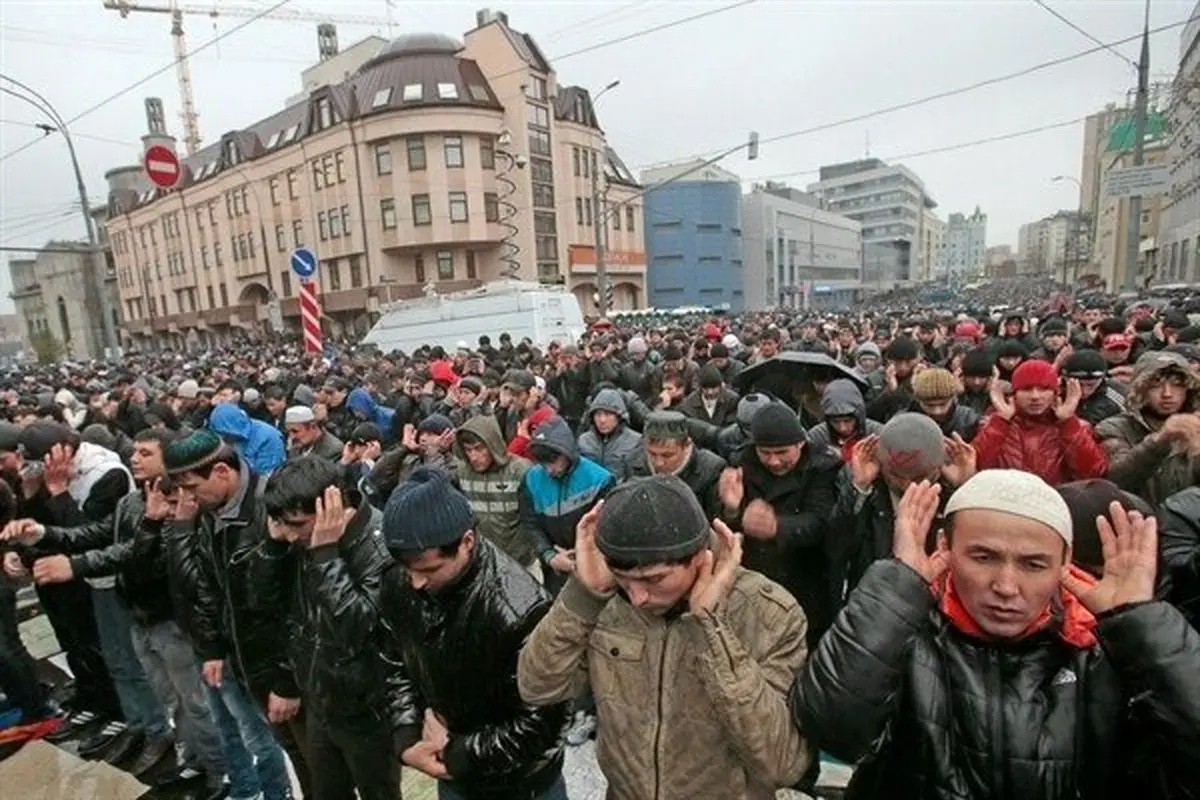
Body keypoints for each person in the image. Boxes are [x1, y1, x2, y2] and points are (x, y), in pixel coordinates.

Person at [791, 470, 1200, 800]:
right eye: (984, 557)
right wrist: (896, 589)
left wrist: (1141, 626)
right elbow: (833, 729)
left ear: (1064, 563)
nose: (1006, 585)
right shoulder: (907, 633)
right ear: (945, 548)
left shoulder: (1102, 651)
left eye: (1033, 564)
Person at [517, 475, 812, 799]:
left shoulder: (771, 613)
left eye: (654, 580)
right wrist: (582, 598)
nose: (638, 597)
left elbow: (783, 763)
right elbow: (536, 687)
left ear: (701, 555)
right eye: (624, 579)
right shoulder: (606, 602)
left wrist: (710, 629)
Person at [378, 468, 569, 800]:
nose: (415, 583)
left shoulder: (522, 610)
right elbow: (395, 657)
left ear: (467, 541)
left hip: (522, 785)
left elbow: (541, 724)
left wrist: (457, 752)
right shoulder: (402, 578)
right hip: (450, 770)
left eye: (428, 570)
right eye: (408, 570)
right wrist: (407, 735)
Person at [162, 429, 308, 800]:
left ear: (223, 472)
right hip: (246, 662)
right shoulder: (212, 512)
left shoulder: (270, 510)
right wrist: (213, 646)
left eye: (193, 487)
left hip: (285, 669)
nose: (188, 500)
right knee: (287, 749)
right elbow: (209, 588)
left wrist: (285, 681)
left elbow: (296, 607)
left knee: (313, 763)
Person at [262, 457, 398, 800]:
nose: (291, 534)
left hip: (369, 710)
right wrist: (273, 548)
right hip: (320, 698)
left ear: (330, 506)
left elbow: (357, 629)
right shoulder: (298, 543)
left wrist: (326, 555)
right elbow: (265, 604)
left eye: (297, 524)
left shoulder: (381, 546)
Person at [719, 404, 840, 648]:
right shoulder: (742, 465)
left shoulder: (822, 468)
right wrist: (731, 509)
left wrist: (778, 527)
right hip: (755, 583)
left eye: (782, 452)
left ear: (800, 444)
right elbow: (727, 528)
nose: (774, 462)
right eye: (766, 453)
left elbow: (822, 522)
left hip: (806, 582)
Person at [972, 359, 1107, 486]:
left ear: (1055, 393)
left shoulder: (1078, 427)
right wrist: (1000, 422)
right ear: (1014, 393)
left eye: (1043, 389)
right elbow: (975, 469)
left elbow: (1093, 473)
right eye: (1026, 389)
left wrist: (1068, 423)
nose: (1035, 396)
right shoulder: (992, 424)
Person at [452, 415, 536, 571]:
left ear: (493, 445)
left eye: (479, 448)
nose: (474, 457)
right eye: (468, 450)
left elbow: (536, 520)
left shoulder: (521, 470)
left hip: (522, 562)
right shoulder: (462, 471)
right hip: (483, 562)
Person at [208, 402, 286, 475]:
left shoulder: (269, 437)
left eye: (224, 433)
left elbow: (265, 475)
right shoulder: (229, 437)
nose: (222, 437)